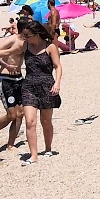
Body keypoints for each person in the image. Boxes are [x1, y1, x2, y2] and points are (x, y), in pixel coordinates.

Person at [0, 19, 35, 153]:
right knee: (11, 114)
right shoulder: (12, 40)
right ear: (23, 29)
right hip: (6, 79)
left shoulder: (27, 42)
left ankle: (10, 144)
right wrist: (6, 65)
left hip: (19, 78)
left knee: (20, 114)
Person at [20, 21, 63, 159]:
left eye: (27, 35)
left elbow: (58, 66)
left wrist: (57, 83)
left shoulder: (50, 47)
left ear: (36, 34)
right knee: (30, 121)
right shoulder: (25, 45)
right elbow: (11, 53)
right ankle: (33, 156)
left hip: (46, 86)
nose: (25, 38)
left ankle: (48, 148)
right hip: (28, 87)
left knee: (45, 121)